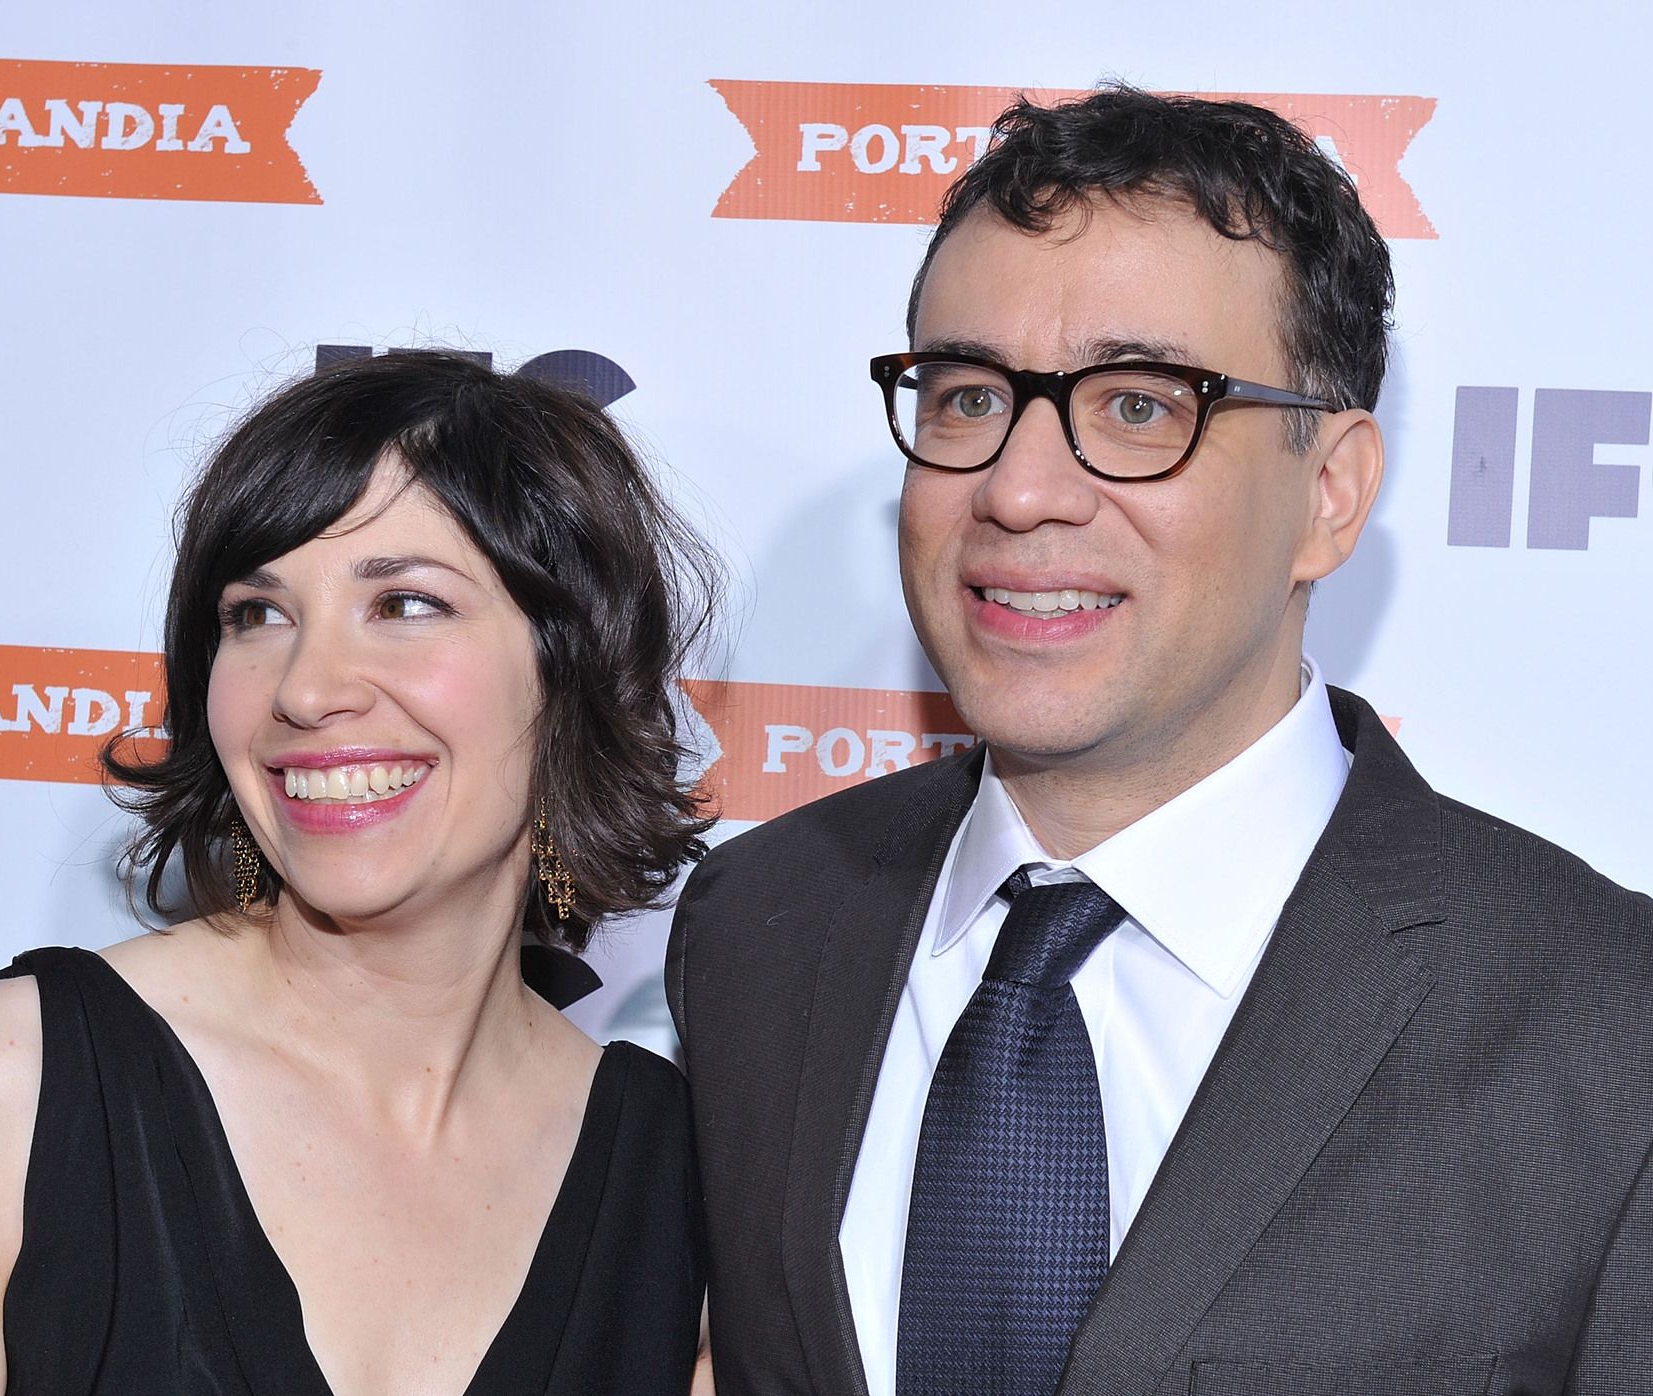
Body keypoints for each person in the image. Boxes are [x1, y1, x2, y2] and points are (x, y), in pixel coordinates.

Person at [669, 87, 1653, 1395]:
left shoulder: (1603, 1026)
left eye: (1139, 407)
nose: (1018, 490)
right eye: (967, 397)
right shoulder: (758, 920)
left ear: (1330, 492)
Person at [0, 350, 716, 1395]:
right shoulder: (4, 1086)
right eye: (254, 615)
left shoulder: (674, 1171)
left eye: (404, 603)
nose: (305, 688)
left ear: (571, 665)